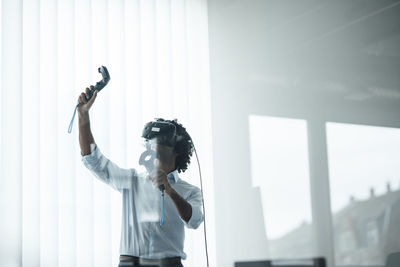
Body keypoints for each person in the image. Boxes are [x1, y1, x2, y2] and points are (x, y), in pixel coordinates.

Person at [77, 85, 204, 267]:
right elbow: (93, 160)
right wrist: (83, 116)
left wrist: (170, 191)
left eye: (160, 142)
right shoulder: (132, 181)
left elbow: (194, 220)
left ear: (176, 150)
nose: (153, 146)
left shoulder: (190, 191)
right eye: (150, 143)